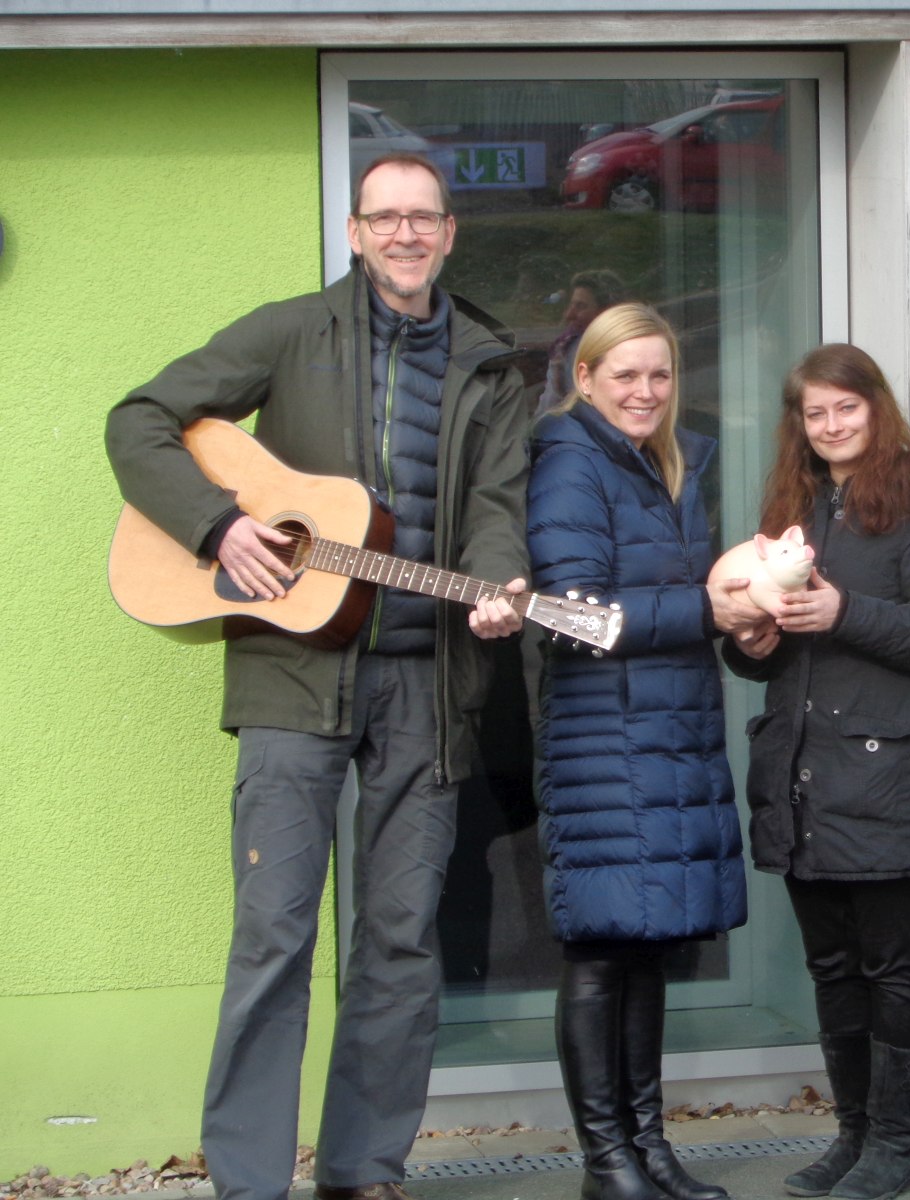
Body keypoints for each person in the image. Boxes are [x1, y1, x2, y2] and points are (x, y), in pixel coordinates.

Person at [104, 152, 531, 1200]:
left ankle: (363, 1168)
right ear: (354, 232)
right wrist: (219, 526)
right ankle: (250, 1181)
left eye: (421, 218)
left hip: (427, 691)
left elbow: (496, 509)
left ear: (448, 234)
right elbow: (138, 422)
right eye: (383, 218)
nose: (403, 235)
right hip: (293, 687)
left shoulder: (491, 363)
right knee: (274, 937)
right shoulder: (290, 332)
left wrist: (494, 584)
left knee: (397, 945)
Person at [724, 344, 910, 1200]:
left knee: (889, 964)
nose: (831, 427)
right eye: (815, 414)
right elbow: (771, 648)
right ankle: (853, 1136)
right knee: (831, 967)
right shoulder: (795, 501)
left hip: (885, 773)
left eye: (846, 409)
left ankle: (895, 1146)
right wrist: (750, 640)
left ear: (876, 406)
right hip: (802, 773)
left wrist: (843, 610)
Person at [526, 303, 756, 1200]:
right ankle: (606, 1160)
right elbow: (573, 613)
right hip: (603, 735)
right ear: (585, 379)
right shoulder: (570, 458)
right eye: (624, 374)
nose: (645, 391)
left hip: (667, 730)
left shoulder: (670, 463)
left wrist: (743, 614)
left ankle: (649, 1148)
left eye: (659, 375)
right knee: (598, 945)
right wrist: (710, 611)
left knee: (645, 943)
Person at [536, 268, 627, 421]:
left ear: (606, 312)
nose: (568, 315)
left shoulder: (581, 348)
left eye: (581, 306)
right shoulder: (566, 345)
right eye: (572, 305)